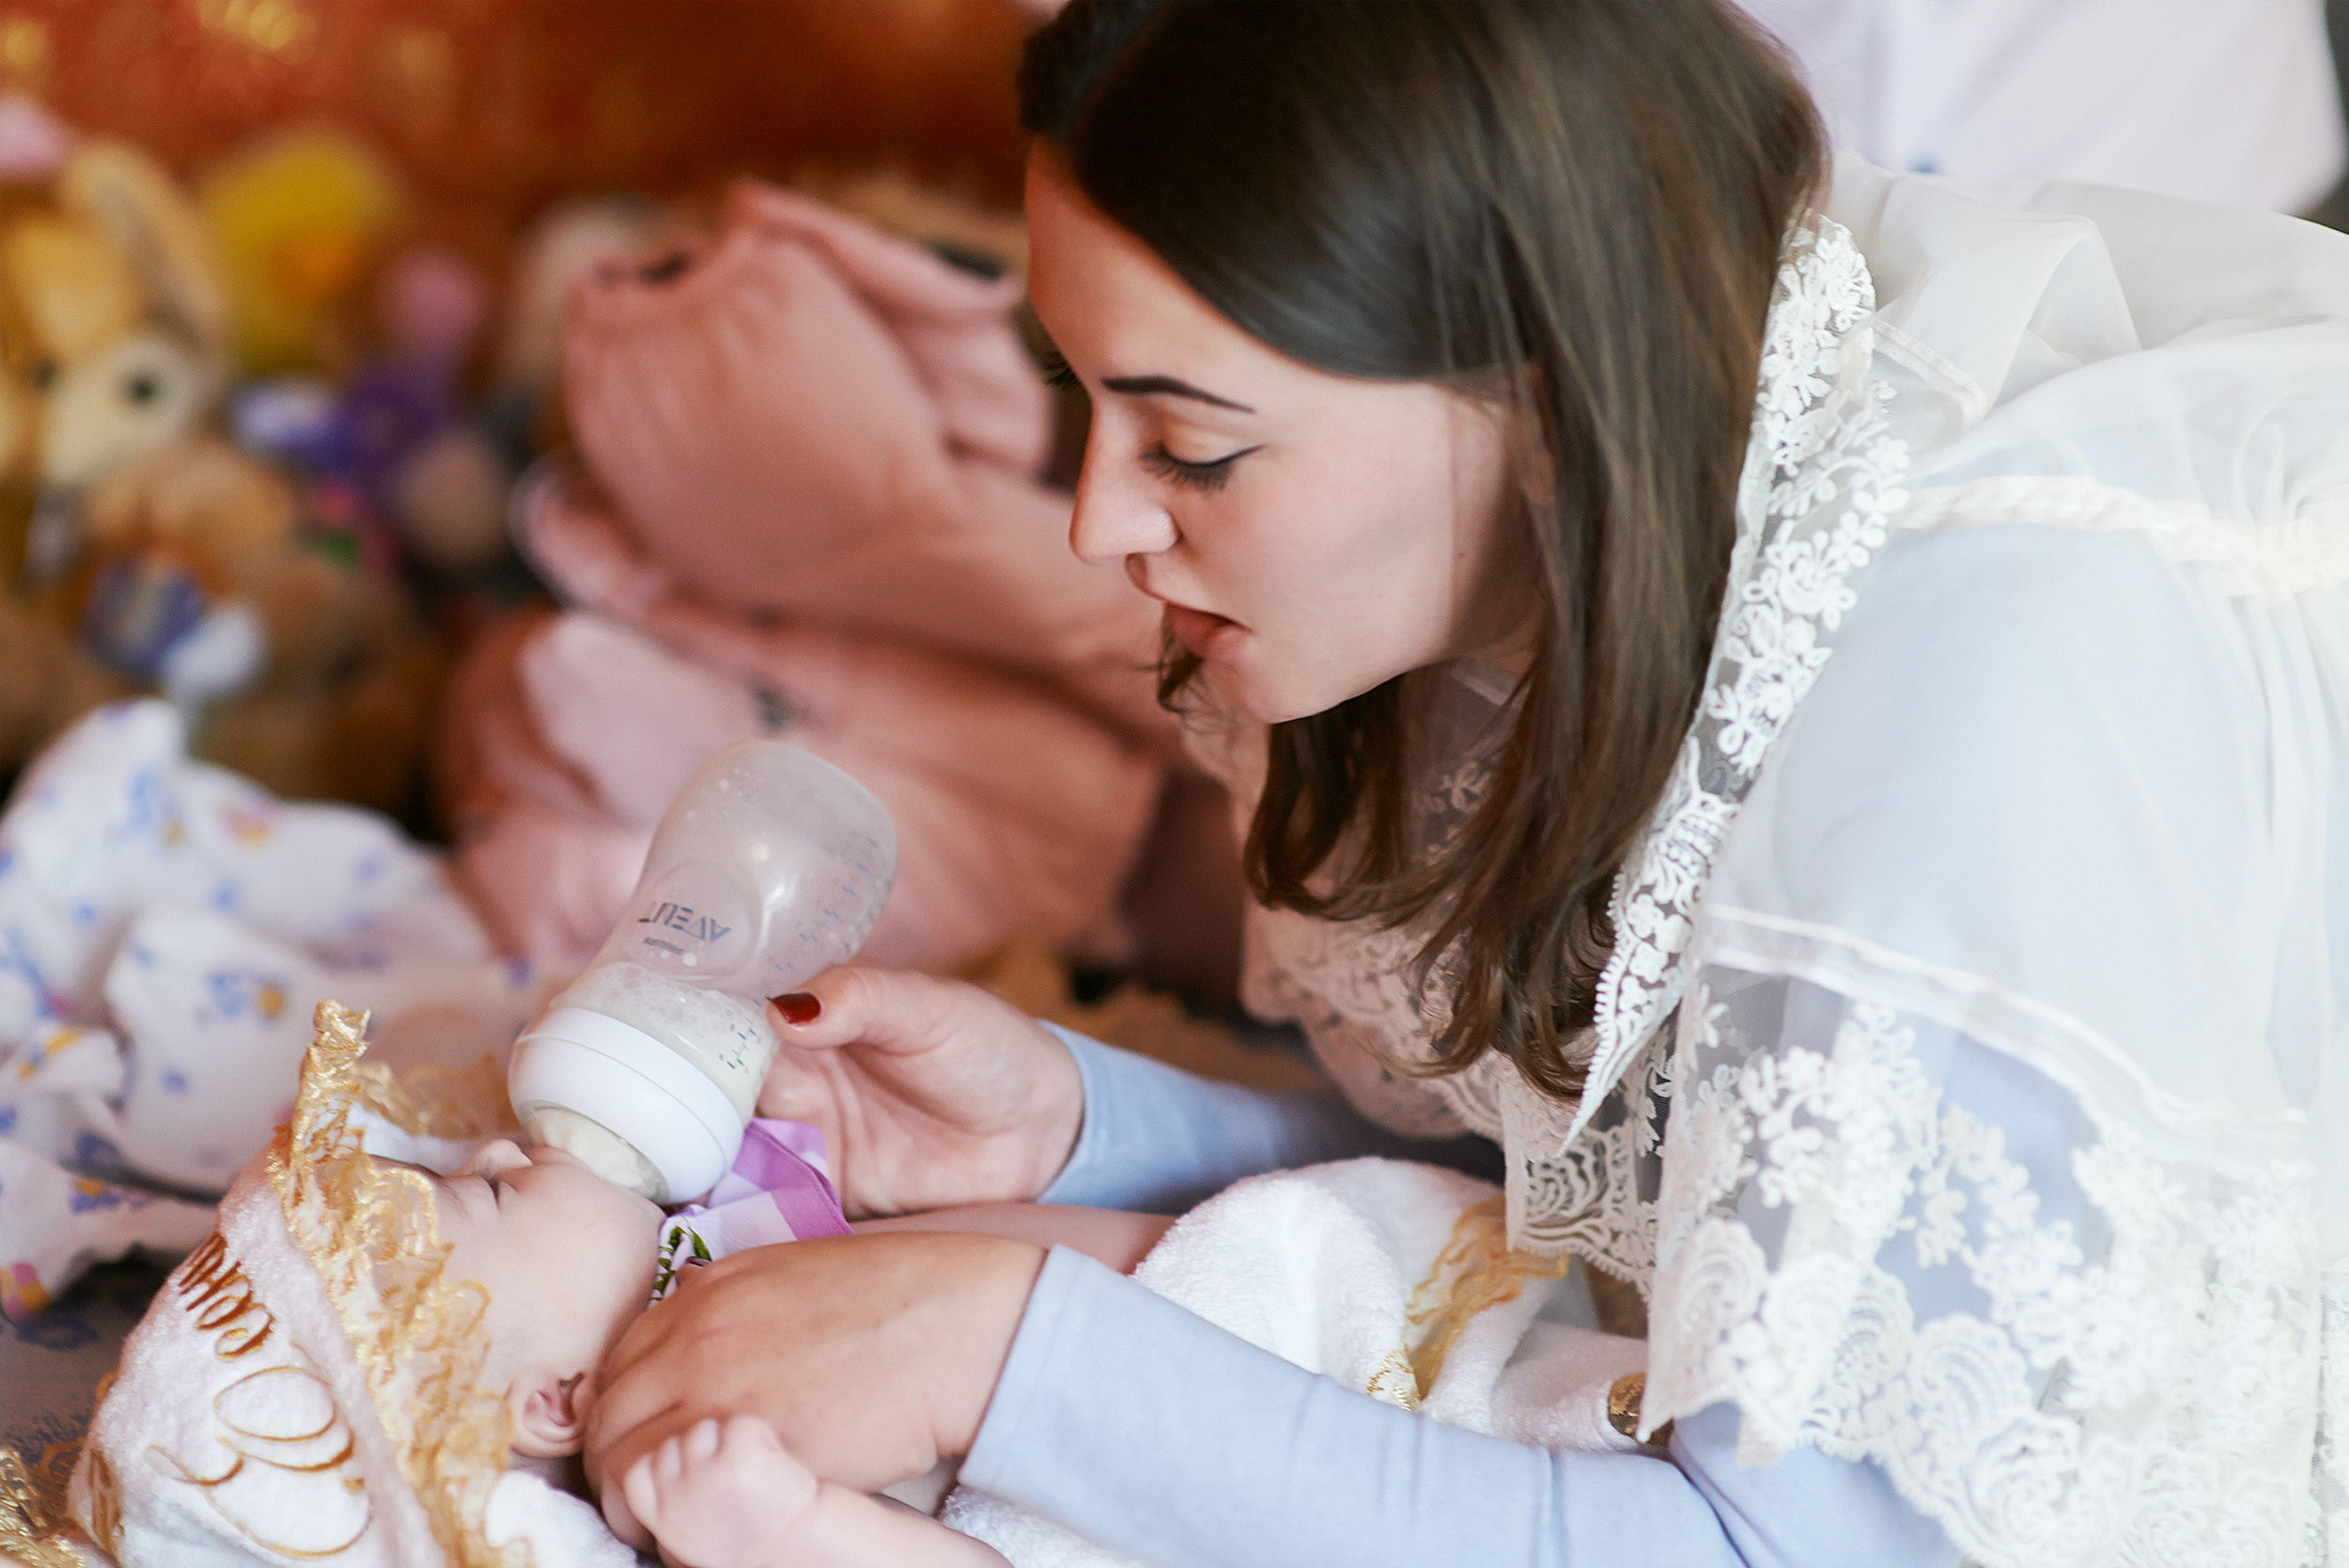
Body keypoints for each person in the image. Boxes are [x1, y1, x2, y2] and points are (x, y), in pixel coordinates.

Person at [582, 4, 2349, 1566]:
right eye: (1086, 407)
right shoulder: (1540, 564)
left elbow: (1807, 1539)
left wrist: (1010, 1353)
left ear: (1547, 398)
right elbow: (1619, 1176)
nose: (1098, 522)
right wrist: (1085, 1122)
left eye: (1192, 445)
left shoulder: (1986, 689)